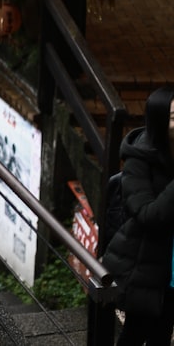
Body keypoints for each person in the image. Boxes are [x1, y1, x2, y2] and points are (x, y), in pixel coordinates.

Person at [102, 86, 174, 346]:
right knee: (136, 334)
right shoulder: (137, 161)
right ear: (158, 122)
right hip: (145, 265)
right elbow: (147, 215)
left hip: (171, 265)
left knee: (162, 335)